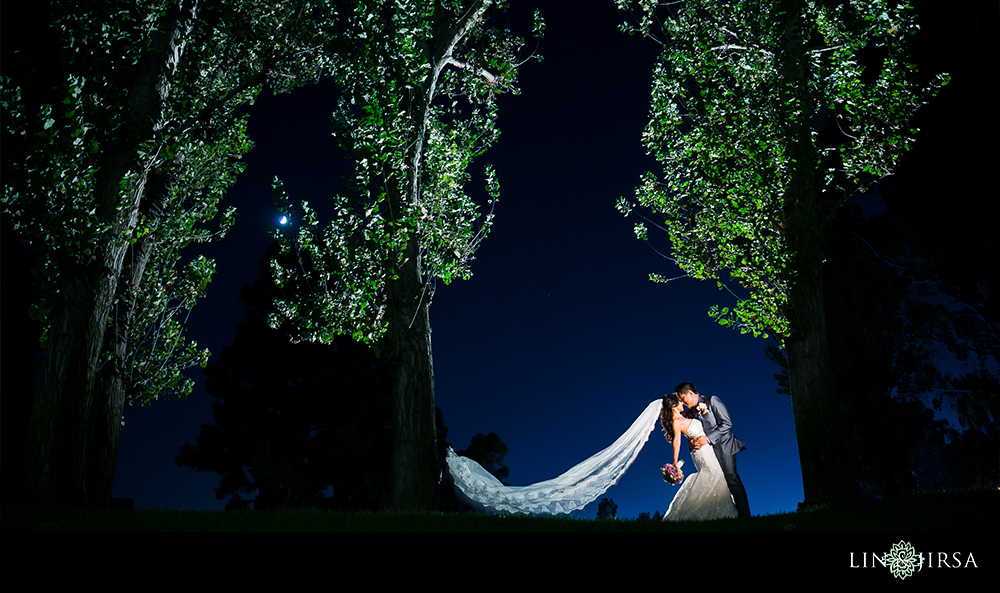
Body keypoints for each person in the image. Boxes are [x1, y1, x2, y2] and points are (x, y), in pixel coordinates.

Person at [675, 382, 751, 518]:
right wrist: (691, 443)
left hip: (724, 447)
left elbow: (727, 423)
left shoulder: (712, 401)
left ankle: (745, 516)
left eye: (683, 398)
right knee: (717, 483)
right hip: (707, 453)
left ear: (690, 393)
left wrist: (708, 439)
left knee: (731, 479)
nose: (683, 402)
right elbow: (693, 431)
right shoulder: (690, 413)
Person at [660, 392, 738, 521]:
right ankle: (708, 514)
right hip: (701, 451)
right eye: (679, 402)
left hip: (706, 448)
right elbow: (677, 441)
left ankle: (716, 512)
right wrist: (675, 461)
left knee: (715, 476)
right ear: (673, 405)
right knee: (714, 475)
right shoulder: (676, 422)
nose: (682, 403)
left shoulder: (683, 416)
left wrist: (702, 409)